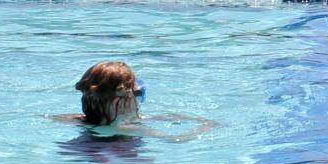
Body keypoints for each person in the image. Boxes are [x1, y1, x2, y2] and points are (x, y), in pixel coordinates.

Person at [50, 59, 215, 140]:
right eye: (138, 94)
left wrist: (171, 116)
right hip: (120, 158)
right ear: (123, 99)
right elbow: (176, 139)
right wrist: (205, 127)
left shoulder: (75, 120)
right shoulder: (128, 128)